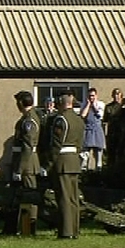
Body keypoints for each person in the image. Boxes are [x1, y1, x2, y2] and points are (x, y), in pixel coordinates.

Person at [43, 92, 85, 239]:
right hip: (74, 160)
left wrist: (48, 165)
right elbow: (80, 144)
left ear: (61, 103)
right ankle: (74, 229)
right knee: (74, 198)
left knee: (64, 198)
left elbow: (55, 145)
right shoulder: (79, 120)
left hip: (62, 161)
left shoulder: (61, 120)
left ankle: (66, 231)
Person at [3, 90, 41, 236]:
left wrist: (20, 168)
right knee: (18, 195)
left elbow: (27, 146)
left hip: (27, 162)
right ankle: (15, 227)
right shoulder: (25, 118)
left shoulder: (30, 120)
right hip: (21, 159)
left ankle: (29, 228)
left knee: (29, 196)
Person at [80, 87, 106, 170]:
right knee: (85, 155)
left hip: (97, 130)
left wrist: (93, 105)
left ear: (96, 96)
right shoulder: (84, 104)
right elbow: (83, 115)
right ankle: (84, 172)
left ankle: (98, 171)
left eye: (93, 96)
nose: (91, 98)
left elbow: (99, 115)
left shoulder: (101, 104)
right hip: (87, 130)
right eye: (90, 96)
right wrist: (88, 105)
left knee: (98, 154)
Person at [103, 88, 125, 166]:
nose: (116, 96)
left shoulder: (124, 106)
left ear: (121, 95)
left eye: (118, 94)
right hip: (112, 133)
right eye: (115, 94)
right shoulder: (109, 107)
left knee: (121, 152)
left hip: (122, 133)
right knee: (111, 153)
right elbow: (105, 120)